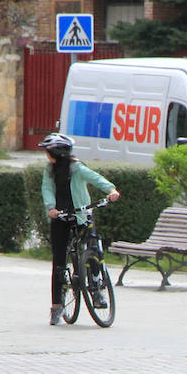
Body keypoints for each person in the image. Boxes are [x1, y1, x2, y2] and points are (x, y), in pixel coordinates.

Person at [38, 133, 120, 325]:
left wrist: (111, 190)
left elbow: (95, 178)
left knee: (93, 248)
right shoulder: (49, 170)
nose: (46, 155)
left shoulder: (77, 168)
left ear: (56, 153)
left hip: (81, 214)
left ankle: (97, 289)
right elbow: (46, 188)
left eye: (48, 152)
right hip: (60, 216)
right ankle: (57, 306)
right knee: (59, 261)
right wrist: (51, 207)